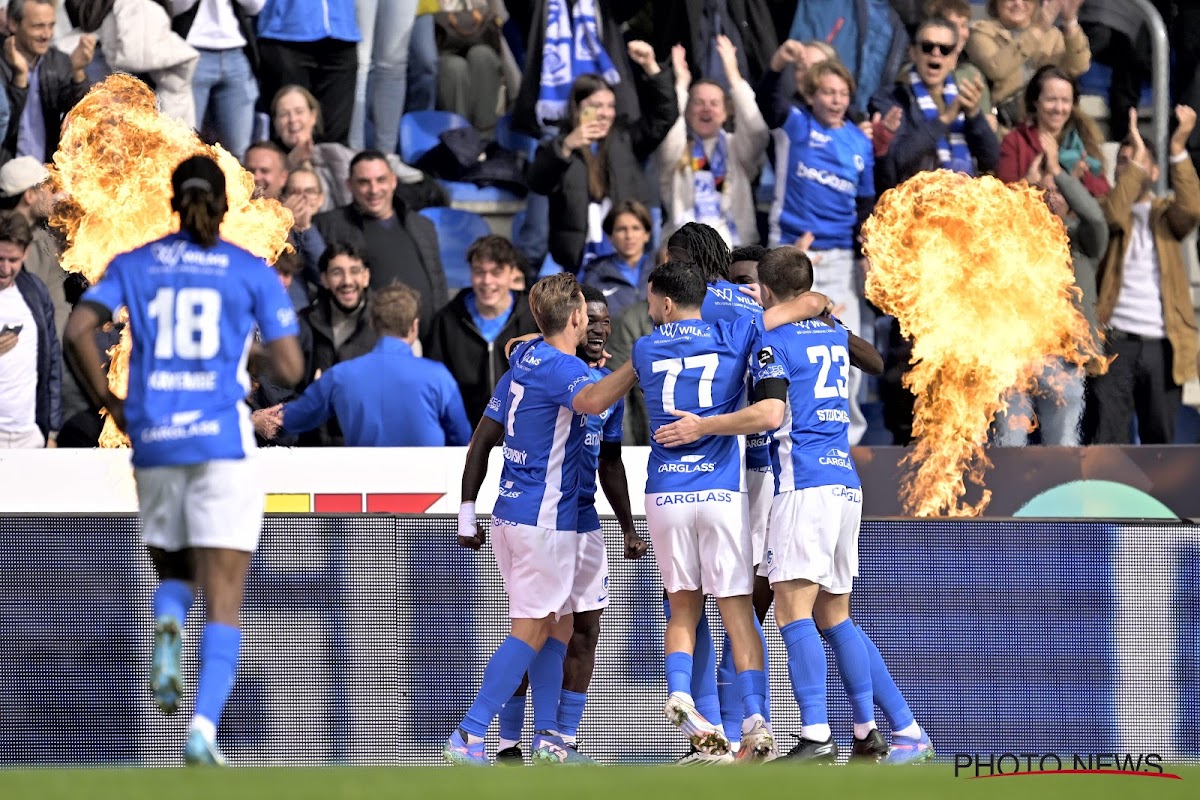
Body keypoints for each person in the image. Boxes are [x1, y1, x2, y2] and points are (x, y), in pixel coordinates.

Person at [63, 154, 304, 765]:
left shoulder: (134, 264)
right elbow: (292, 368)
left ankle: (166, 636)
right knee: (225, 594)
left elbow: (76, 332)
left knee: (174, 571)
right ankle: (202, 726)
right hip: (221, 443)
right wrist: (245, 359)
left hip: (155, 440)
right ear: (225, 206)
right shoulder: (246, 269)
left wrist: (111, 404)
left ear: (172, 201)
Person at [653, 246, 933, 765]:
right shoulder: (812, 326)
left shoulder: (756, 328)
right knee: (824, 610)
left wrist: (702, 424)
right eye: (737, 281)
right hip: (835, 479)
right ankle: (883, 729)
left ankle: (812, 733)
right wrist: (817, 307)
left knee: (773, 606)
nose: (744, 291)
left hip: (784, 478)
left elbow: (771, 408)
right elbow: (861, 356)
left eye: (751, 282)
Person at [632, 259, 829, 763]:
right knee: (737, 611)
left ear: (667, 303)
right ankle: (756, 721)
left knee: (682, 607)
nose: (647, 308)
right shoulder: (735, 334)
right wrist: (814, 303)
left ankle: (680, 696)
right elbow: (799, 308)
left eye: (651, 299)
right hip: (721, 492)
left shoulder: (644, 346)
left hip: (665, 493)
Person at [446, 272, 637, 766]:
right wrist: (642, 362)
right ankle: (470, 734)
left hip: (525, 514)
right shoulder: (556, 366)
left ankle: (550, 739)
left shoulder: (527, 359)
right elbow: (593, 399)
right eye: (586, 316)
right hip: (542, 517)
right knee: (530, 630)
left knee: (557, 626)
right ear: (576, 317)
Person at [759, 49, 875, 446]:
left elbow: (865, 206)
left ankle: (849, 442)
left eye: (842, 92)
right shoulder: (797, 124)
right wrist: (777, 67)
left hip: (839, 258)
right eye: (827, 92)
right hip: (790, 255)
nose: (836, 99)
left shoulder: (860, 142)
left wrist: (865, 255)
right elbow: (769, 103)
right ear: (811, 96)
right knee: (783, 348)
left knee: (848, 348)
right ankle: (783, 436)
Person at [1086, 107, 1200, 445]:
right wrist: (1134, 163)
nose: (1129, 164)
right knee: (1107, 442)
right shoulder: (1107, 211)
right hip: (1115, 342)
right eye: (1123, 160)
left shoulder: (1167, 216)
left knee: (1159, 445)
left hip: (1162, 345)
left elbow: (1192, 208)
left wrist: (1178, 145)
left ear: (1153, 170)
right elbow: (1114, 216)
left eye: (1138, 159)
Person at [526, 42, 678, 273]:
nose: (605, 113)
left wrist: (650, 67)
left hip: (624, 252)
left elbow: (664, 116)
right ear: (577, 108)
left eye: (610, 106)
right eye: (595, 106)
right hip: (575, 260)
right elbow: (537, 181)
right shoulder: (558, 145)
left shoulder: (626, 137)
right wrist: (566, 146)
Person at [993, 143, 1106, 447]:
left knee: (1064, 450)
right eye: (1045, 191)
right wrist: (1025, 188)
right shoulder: (1018, 238)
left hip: (1064, 359)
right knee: (1009, 447)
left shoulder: (1082, 241)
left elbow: (1095, 218)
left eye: (1061, 191)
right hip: (1018, 356)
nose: (1053, 197)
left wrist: (1058, 172)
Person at [270, 283, 469, 446]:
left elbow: (293, 419)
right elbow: (461, 437)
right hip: (430, 489)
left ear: (373, 323)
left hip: (366, 488)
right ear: (414, 326)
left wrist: (262, 414)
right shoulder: (439, 376)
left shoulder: (339, 376)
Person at [313, 149, 445, 341]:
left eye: (381, 180)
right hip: (367, 346)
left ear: (393, 181)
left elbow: (438, 285)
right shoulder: (329, 225)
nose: (374, 190)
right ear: (349, 186)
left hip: (427, 343)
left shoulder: (423, 226)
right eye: (364, 182)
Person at [657, 36, 769, 248]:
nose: (706, 108)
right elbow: (669, 129)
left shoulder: (736, 147)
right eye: (698, 103)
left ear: (726, 113)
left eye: (714, 103)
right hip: (683, 250)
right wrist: (681, 86)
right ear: (687, 112)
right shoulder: (677, 149)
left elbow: (757, 129)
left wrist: (733, 76)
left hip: (734, 249)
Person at [425, 234, 540, 427]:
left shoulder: (535, 317)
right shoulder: (446, 321)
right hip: (465, 434)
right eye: (479, 272)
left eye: (496, 272)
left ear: (512, 273)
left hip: (524, 435)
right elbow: (435, 385)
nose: (487, 281)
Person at [875, 16, 1000, 188]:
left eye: (945, 49)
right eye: (927, 47)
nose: (936, 53)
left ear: (954, 59)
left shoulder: (962, 97)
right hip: (915, 202)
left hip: (964, 200)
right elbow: (897, 161)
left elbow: (991, 160)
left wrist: (974, 115)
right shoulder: (891, 98)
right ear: (913, 52)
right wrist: (944, 120)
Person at [295, 242, 377, 443]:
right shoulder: (303, 323)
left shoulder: (384, 324)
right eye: (337, 273)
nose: (347, 281)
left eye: (355, 271)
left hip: (370, 450)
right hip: (314, 447)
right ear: (323, 279)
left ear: (366, 277)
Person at [966, 0, 1090, 130]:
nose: (1018, 3)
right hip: (1007, 127)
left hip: (1048, 123)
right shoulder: (981, 32)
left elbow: (1078, 67)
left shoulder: (1052, 36)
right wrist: (1038, 29)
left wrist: (1070, 22)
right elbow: (996, 69)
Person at [1, 0, 95, 163]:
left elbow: (79, 116)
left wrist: (78, 73)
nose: (46, 35)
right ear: (13, 24)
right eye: (38, 26)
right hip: (7, 175)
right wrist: (19, 78)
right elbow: (5, 121)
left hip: (47, 172)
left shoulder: (59, 61)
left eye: (51, 26)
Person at [996, 65, 1110, 197]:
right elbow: (1004, 199)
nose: (1059, 108)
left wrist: (1075, 181)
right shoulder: (1014, 141)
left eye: (1065, 100)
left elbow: (1104, 198)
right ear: (1035, 102)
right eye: (1051, 99)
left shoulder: (1083, 141)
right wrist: (1030, 184)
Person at [0, 209, 58, 448]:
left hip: (30, 436)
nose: (4, 268)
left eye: (12, 260)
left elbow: (52, 359)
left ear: (24, 253)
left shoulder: (34, 291)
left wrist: (52, 431)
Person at [578, 200, 655, 322]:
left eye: (635, 228)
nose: (629, 236)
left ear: (647, 235)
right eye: (621, 229)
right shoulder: (595, 275)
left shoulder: (661, 269)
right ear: (610, 236)